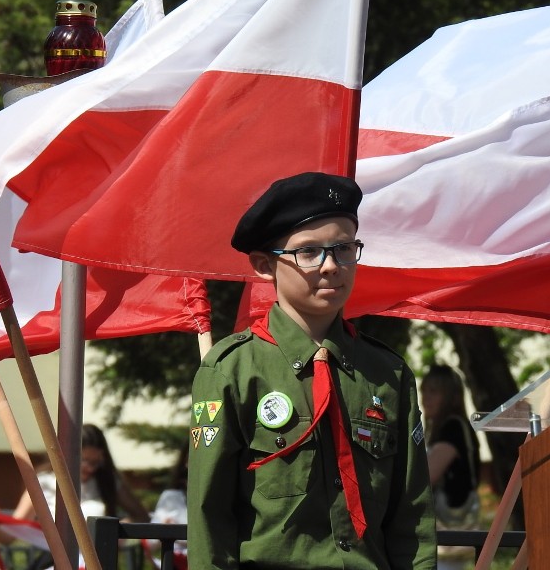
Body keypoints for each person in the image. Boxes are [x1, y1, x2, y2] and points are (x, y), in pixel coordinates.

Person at [187, 171, 437, 569]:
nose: (331, 266)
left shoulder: (387, 374)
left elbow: (411, 517)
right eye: (308, 252)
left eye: (343, 248)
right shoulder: (232, 370)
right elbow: (210, 518)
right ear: (264, 265)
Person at [0, 423, 150, 545]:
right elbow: (13, 531)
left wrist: (114, 532)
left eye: (95, 462)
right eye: (84, 461)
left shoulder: (107, 482)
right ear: (68, 455)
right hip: (55, 559)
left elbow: (141, 516)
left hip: (98, 560)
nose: (90, 468)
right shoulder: (44, 483)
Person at [421, 365, 481, 531]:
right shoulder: (449, 428)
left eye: (433, 392)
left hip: (453, 530)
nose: (425, 398)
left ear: (450, 396)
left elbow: (423, 478)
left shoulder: (452, 428)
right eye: (424, 391)